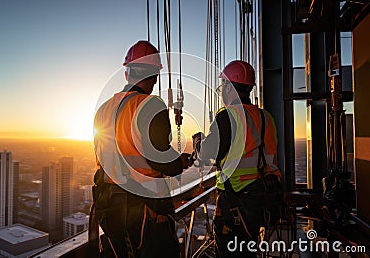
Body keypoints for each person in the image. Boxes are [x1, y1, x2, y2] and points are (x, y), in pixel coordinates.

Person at [91, 40, 190, 258]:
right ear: (154, 76)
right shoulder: (150, 105)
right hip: (145, 209)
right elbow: (161, 160)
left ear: (127, 74)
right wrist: (181, 162)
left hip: (109, 208)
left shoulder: (103, 109)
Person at [192, 60, 283, 257]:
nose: (221, 91)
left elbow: (208, 153)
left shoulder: (228, 117)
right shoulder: (265, 117)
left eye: (223, 86)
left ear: (230, 87)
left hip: (236, 200)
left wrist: (198, 144)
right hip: (263, 198)